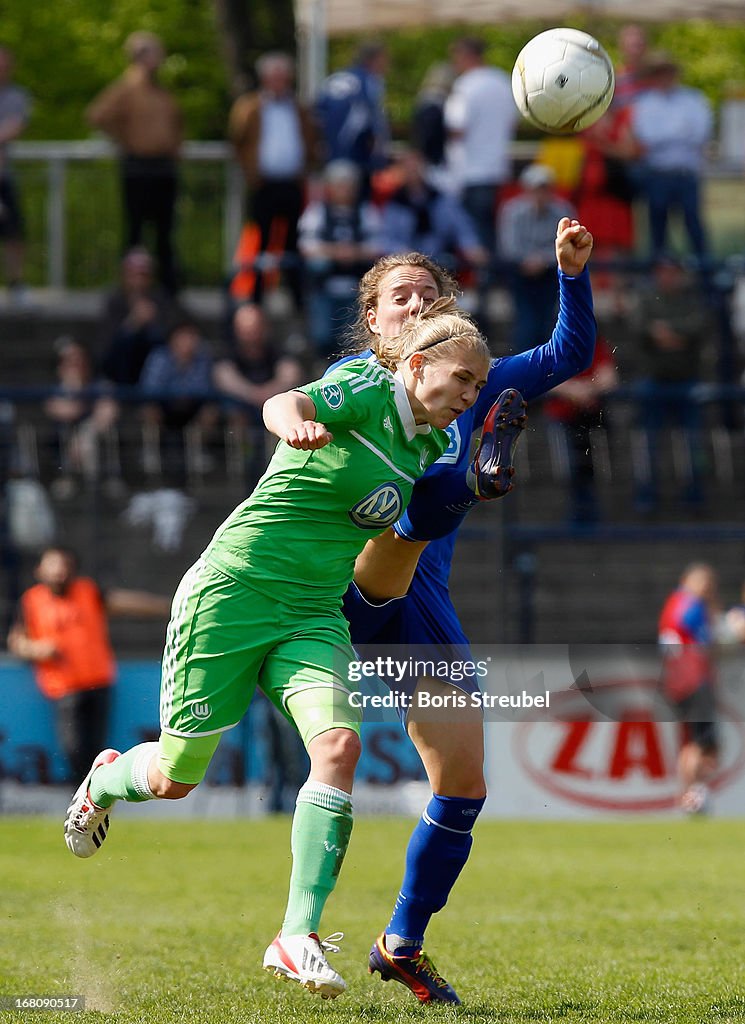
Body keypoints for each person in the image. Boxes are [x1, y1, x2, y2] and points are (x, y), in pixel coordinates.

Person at [61, 302, 493, 1001]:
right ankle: (105, 781)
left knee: (339, 749)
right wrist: (291, 422)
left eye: (478, 386)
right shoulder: (367, 388)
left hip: (312, 614)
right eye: (463, 378)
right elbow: (282, 401)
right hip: (234, 594)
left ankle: (296, 935)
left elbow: (414, 525)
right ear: (415, 365)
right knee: (175, 777)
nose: (469, 395)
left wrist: (471, 484)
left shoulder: (425, 446)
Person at [331, 217, 596, 1004]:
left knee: (462, 786)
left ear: (448, 309)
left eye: (427, 293)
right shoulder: (353, 383)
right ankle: (462, 489)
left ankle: (399, 943)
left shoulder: (474, 384)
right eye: (397, 297)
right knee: (404, 531)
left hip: (425, 607)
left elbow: (568, 356)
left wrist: (570, 272)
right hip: (347, 582)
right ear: (373, 320)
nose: (413, 304)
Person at [7, 546, 170, 783]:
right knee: (72, 748)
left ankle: (97, 797)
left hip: (99, 682)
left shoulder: (88, 591)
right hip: (64, 687)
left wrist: (167, 605)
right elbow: (16, 640)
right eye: (53, 566)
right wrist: (37, 649)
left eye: (63, 566)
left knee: (98, 749)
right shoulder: (31, 601)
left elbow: (125, 602)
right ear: (39, 570)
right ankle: (81, 794)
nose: (59, 572)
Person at [87, 32, 183, 292]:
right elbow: (97, 115)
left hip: (164, 167)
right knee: (136, 230)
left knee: (165, 231)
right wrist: (124, 139)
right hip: (138, 166)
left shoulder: (161, 92)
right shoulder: (126, 89)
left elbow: (175, 125)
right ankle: (131, 287)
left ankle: (167, 287)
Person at [228, 51, 317, 310]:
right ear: (264, 79)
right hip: (263, 184)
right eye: (273, 77)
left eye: (282, 77)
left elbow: (311, 142)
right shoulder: (250, 107)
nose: (278, 82)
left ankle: (297, 298)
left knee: (293, 242)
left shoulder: (298, 108)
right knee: (261, 241)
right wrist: (249, 171)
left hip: (292, 183)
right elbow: (238, 139)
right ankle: (255, 298)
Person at [630, 51, 712, 264]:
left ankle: (706, 281)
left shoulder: (693, 99)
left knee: (694, 228)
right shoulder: (645, 103)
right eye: (659, 73)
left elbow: (700, 133)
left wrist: (665, 135)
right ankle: (659, 281)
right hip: (658, 175)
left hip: (686, 174)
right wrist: (679, 132)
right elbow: (646, 136)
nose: (664, 78)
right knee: (658, 231)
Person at [298, 159, 382, 356]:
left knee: (353, 340)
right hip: (324, 285)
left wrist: (354, 253)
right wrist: (336, 252)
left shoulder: (366, 213)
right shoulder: (317, 213)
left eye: (348, 185)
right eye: (339, 185)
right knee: (323, 337)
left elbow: (378, 246)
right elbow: (306, 247)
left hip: (356, 285)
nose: (344, 190)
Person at [444, 36, 517, 257]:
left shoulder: (465, 85)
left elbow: (457, 128)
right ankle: (492, 282)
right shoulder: (503, 81)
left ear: (467, 55)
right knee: (493, 232)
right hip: (498, 169)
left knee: (473, 234)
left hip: (471, 172)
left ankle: (480, 283)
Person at [658, 563, 722, 814]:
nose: (707, 590)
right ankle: (692, 796)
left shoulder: (674, 602)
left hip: (678, 679)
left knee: (694, 742)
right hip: (693, 680)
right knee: (702, 742)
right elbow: (698, 634)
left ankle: (686, 796)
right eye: (704, 584)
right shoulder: (690, 604)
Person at [498, 163, 575, 353]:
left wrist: (542, 260)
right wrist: (530, 260)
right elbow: (508, 246)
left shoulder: (563, 210)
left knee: (550, 320)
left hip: (550, 273)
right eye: (536, 189)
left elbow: (569, 244)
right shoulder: (512, 211)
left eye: (545, 189)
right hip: (520, 273)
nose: (541, 195)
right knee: (526, 322)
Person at [543, 334, 619, 524]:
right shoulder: (554, 346)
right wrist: (574, 391)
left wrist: (586, 390)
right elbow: (546, 377)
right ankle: (577, 512)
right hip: (563, 417)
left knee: (590, 466)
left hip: (591, 416)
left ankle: (589, 512)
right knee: (571, 467)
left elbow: (609, 378)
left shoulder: (597, 346)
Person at [380, 148, 488, 273]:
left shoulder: (441, 200)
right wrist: (403, 252)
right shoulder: (394, 204)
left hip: (439, 261)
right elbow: (386, 239)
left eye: (416, 167)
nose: (413, 172)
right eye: (408, 168)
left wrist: (471, 247)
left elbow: (462, 227)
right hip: (405, 265)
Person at [315, 40, 391, 197]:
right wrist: (379, 159)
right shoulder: (370, 81)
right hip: (357, 157)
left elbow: (317, 116)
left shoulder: (334, 78)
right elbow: (374, 123)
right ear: (373, 60)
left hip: (331, 157)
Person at [0, 45, 31, 301]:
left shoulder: (17, 96)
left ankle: (16, 283)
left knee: (14, 230)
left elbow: (15, 127)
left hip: (4, 177)